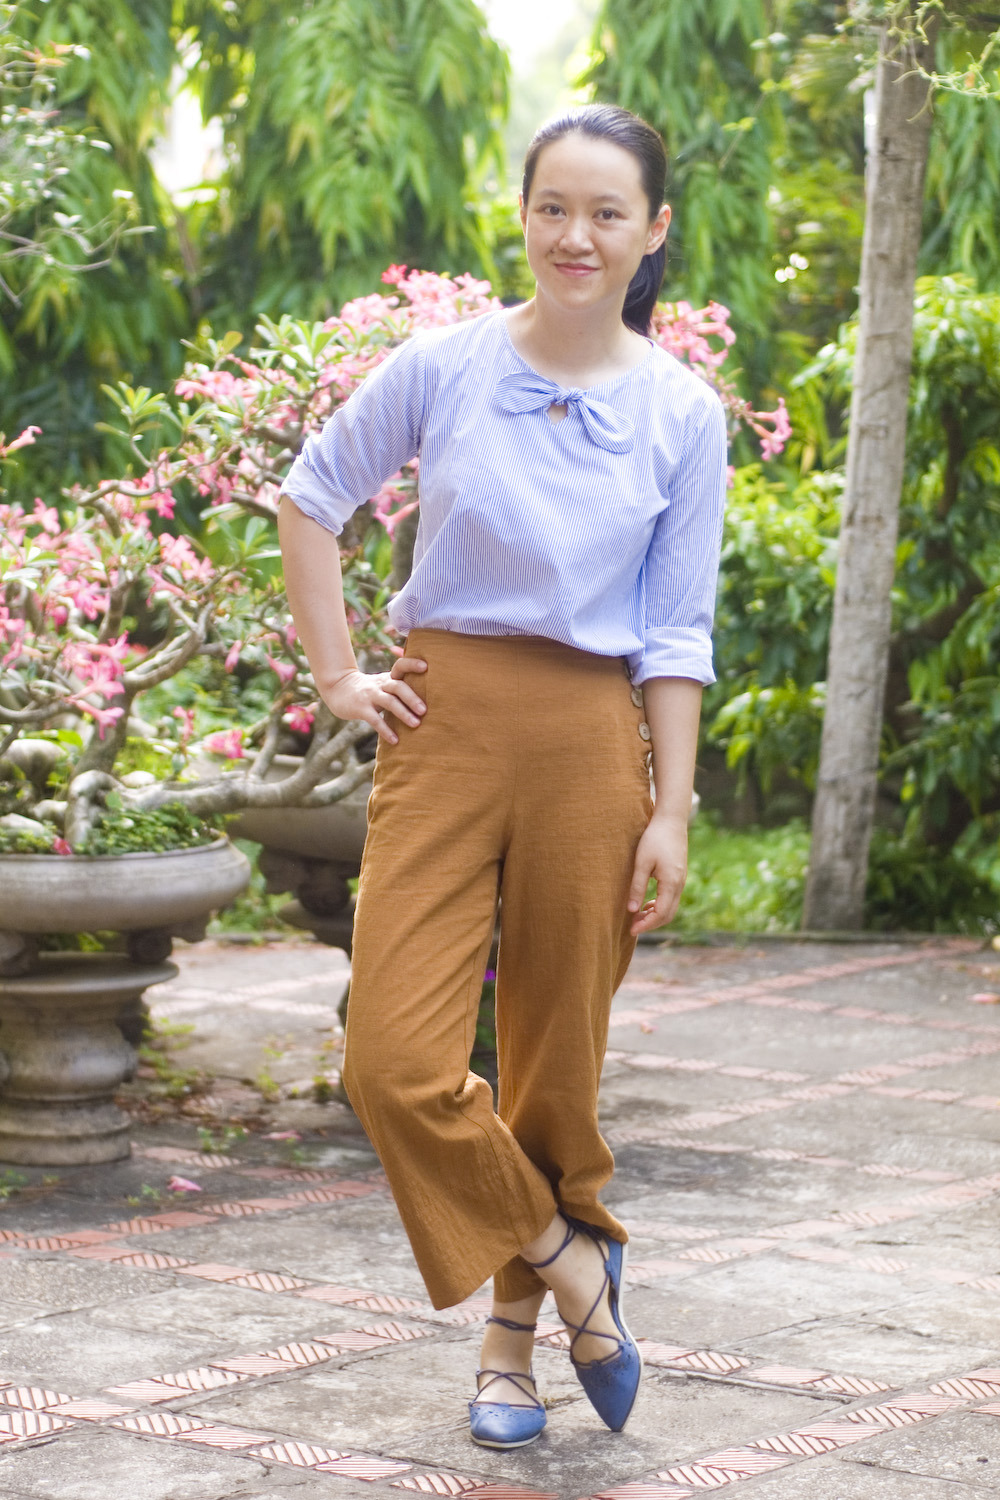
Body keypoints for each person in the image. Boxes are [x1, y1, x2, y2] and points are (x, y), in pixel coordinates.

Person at [277, 103, 727, 1450]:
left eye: (607, 213)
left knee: (551, 1070)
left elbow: (676, 633)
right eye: (553, 208)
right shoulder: (446, 364)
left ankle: (509, 1352)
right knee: (391, 1062)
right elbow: (310, 495)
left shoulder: (683, 412)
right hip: (444, 723)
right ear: (523, 215)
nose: (575, 236)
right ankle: (573, 1255)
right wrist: (339, 675)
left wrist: (672, 807)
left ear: (653, 230)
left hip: (592, 742)